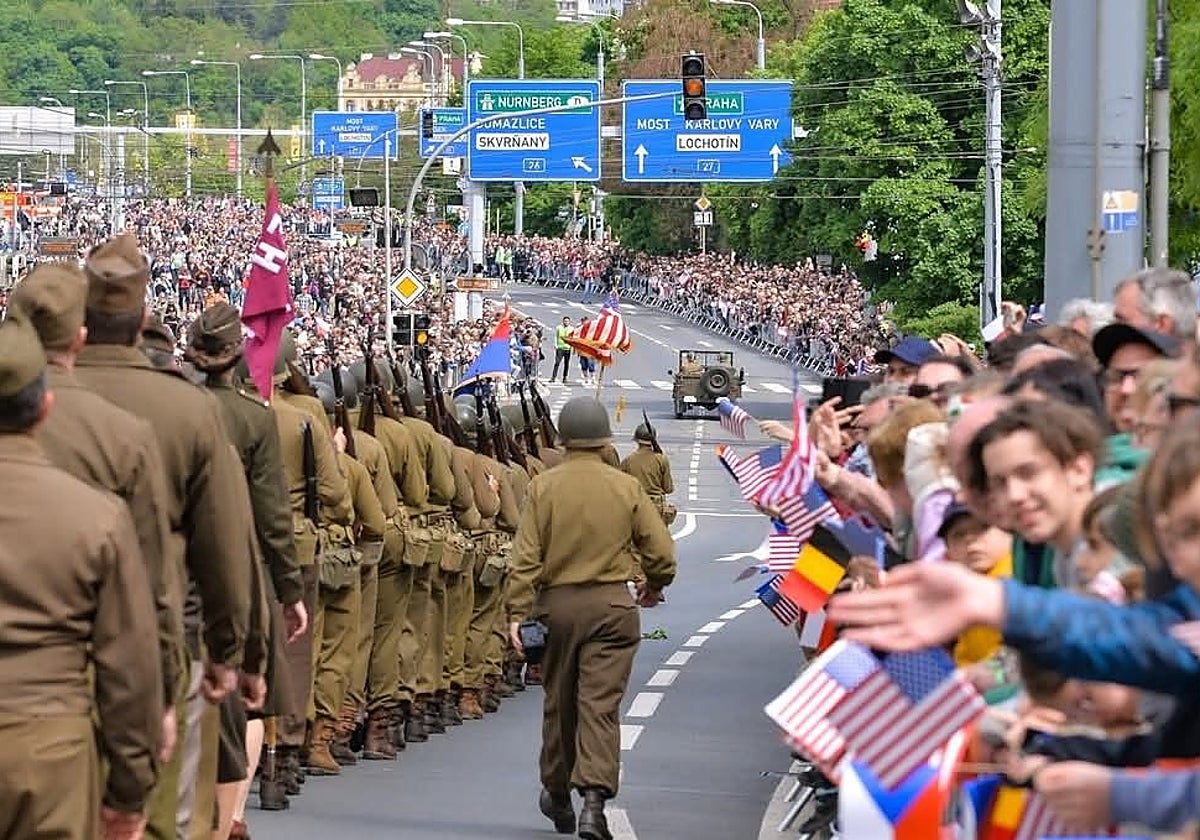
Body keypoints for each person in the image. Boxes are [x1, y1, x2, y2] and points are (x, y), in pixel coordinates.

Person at [0, 307, 163, 840]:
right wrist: (129, 792)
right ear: (46, 408)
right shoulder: (95, 516)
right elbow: (128, 663)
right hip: (52, 753)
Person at [507, 397, 676, 840]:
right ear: (605, 439)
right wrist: (654, 584)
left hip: (557, 607)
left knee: (559, 702)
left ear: (563, 439)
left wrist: (516, 613)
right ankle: (593, 805)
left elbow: (524, 560)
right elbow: (660, 552)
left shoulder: (543, 487)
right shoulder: (625, 487)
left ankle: (558, 791)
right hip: (613, 608)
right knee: (600, 707)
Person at [551, 317, 572, 384]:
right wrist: (555, 344)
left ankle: (565, 377)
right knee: (557, 362)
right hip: (560, 348)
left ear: (569, 322)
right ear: (563, 321)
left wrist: (572, 347)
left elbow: (572, 338)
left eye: (567, 321)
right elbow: (556, 336)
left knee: (566, 364)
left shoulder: (571, 329)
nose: (566, 322)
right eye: (565, 321)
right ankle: (553, 377)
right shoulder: (559, 327)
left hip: (567, 348)